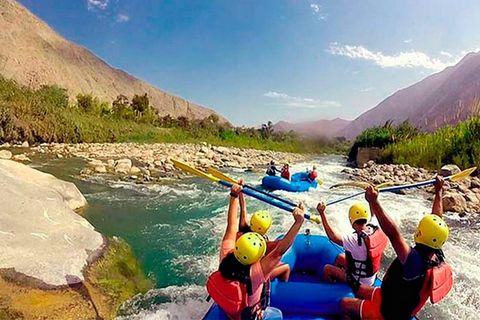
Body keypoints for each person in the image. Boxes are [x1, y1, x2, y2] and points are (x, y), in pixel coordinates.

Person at [340, 176, 453, 320]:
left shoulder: (413, 260)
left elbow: (393, 233)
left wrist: (374, 202)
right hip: (395, 300)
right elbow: (437, 219)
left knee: (344, 305)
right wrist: (438, 192)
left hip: (388, 314)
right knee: (361, 290)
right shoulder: (436, 251)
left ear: (420, 233)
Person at [207, 182, 306, 320]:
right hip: (250, 317)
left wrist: (234, 195)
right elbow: (279, 251)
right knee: (277, 314)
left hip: (229, 314)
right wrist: (298, 222)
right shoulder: (255, 274)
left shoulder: (226, 253)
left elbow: (231, 225)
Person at [316, 202, 388, 293]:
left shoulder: (355, 240)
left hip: (359, 282)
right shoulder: (374, 227)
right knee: (340, 257)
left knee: (327, 268)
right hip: (371, 277)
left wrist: (322, 213)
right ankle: (339, 279)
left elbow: (333, 237)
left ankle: (331, 291)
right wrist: (371, 200)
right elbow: (373, 214)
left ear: (351, 220)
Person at [237, 187, 290, 282]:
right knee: (286, 267)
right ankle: (282, 288)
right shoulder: (265, 245)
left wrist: (240, 193)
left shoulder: (242, 230)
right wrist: (298, 221)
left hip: (239, 269)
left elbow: (243, 210)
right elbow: (284, 243)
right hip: (257, 276)